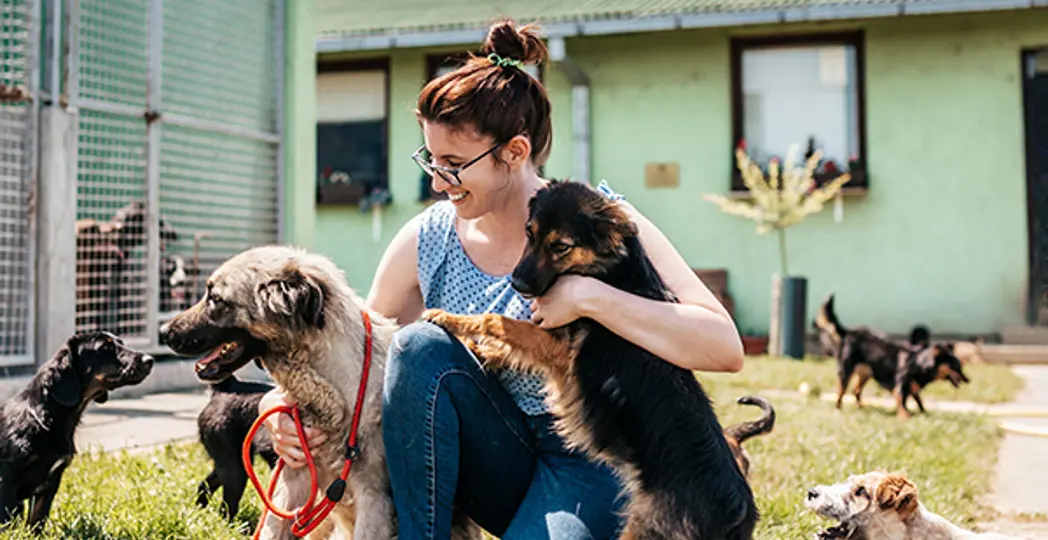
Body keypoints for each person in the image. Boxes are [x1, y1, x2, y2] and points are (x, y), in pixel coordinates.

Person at [258, 18, 745, 540]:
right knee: (420, 344)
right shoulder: (427, 239)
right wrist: (277, 409)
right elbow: (351, 361)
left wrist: (590, 295)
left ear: (514, 152)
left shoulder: (599, 220)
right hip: (480, 456)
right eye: (430, 158)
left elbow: (723, 347)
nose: (435, 180)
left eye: (453, 163)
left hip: (585, 460)